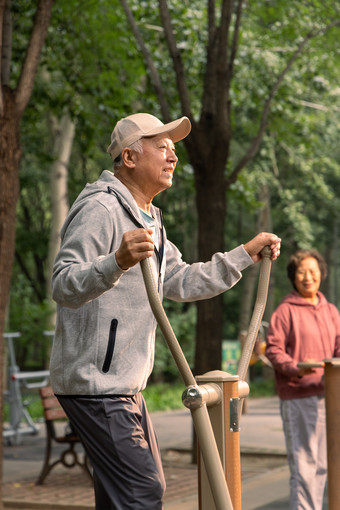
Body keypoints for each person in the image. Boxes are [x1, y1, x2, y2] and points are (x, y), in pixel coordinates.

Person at [50, 112, 281, 510]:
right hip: (96, 385)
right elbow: (63, 283)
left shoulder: (149, 218)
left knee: (123, 497)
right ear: (129, 157)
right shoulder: (101, 210)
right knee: (144, 492)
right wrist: (116, 262)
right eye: (162, 147)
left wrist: (245, 254)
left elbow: (182, 280)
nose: (173, 157)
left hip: (125, 386)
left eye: (174, 150)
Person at [265, 249, 340, 510]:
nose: (308, 277)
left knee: (322, 465)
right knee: (304, 465)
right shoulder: (285, 311)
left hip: (328, 396)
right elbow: (273, 349)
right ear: (293, 277)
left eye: (313, 271)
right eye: (301, 272)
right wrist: (295, 367)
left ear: (321, 274)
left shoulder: (330, 310)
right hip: (299, 396)